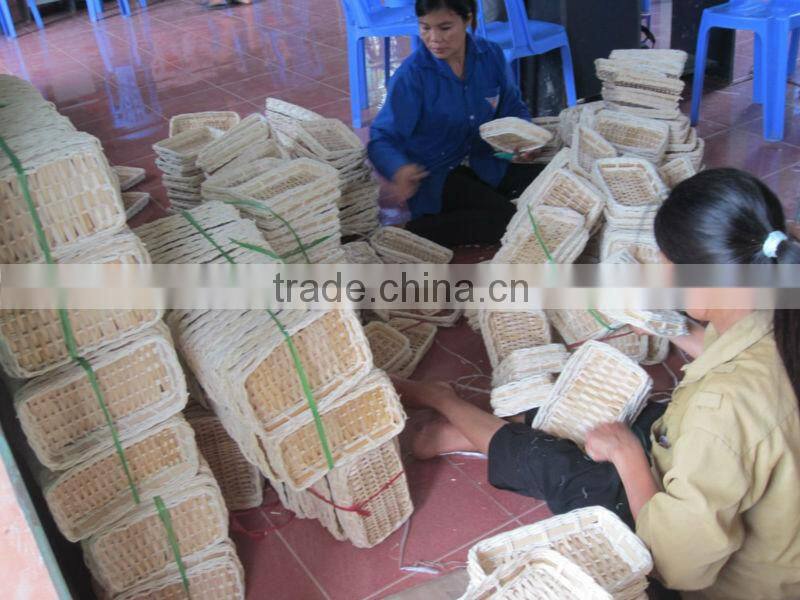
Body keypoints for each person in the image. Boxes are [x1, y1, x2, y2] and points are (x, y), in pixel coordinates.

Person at [394, 168, 800, 598]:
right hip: (748, 498)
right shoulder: (777, 310)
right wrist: (671, 329)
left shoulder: (719, 413)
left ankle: (445, 403)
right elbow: (732, 360)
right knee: (588, 410)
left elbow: (674, 563)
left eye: (665, 261)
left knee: (564, 467)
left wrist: (628, 456)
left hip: (716, 581)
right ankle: (480, 432)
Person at [368, 0, 546, 247]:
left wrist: (525, 139)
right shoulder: (413, 75)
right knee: (508, 221)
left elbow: (512, 107)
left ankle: (485, 204)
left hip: (486, 161)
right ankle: (411, 232)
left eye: (445, 27)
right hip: (438, 174)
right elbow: (381, 137)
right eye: (425, 27)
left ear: (468, 20)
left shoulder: (490, 55)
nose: (434, 39)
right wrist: (400, 169)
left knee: (551, 183)